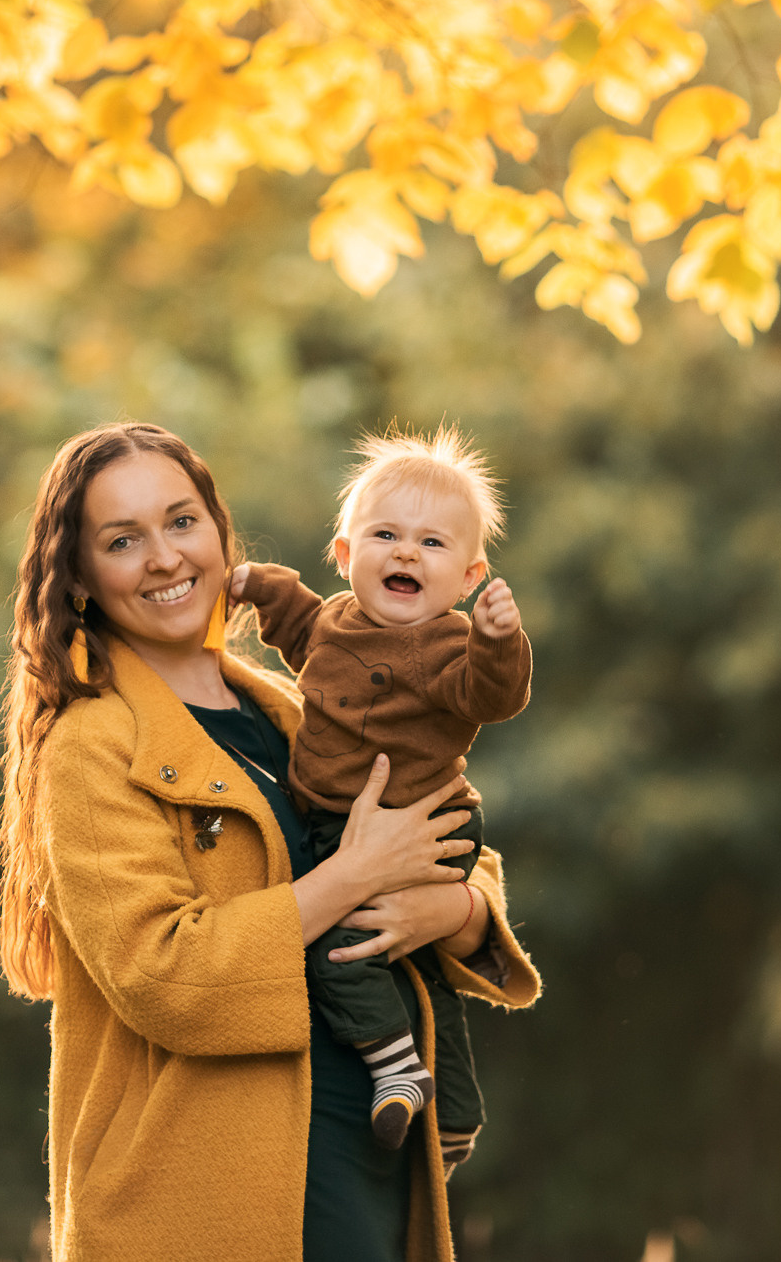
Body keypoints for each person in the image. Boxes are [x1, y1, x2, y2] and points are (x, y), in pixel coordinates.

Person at [0, 422, 541, 1262]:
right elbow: (164, 973)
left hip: (366, 1170)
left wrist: (455, 908)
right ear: (81, 577)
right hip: (199, 1208)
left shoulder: (289, 709)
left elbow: (441, 831)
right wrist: (356, 874)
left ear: (218, 532)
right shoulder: (92, 746)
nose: (165, 557)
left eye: (182, 522)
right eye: (122, 539)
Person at [230, 427, 530, 1162]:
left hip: (423, 824)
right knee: (420, 962)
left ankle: (395, 1066)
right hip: (345, 827)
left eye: (432, 544)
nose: (404, 552)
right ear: (345, 554)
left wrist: (497, 639)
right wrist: (257, 585)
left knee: (344, 946)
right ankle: (455, 1107)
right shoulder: (335, 622)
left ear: (466, 576)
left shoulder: (448, 647)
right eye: (386, 534)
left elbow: (490, 693)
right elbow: (297, 622)